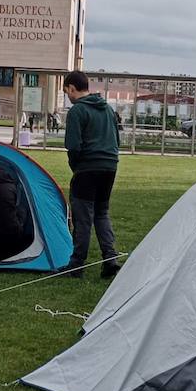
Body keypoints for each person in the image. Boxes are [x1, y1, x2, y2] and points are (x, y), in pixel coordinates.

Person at [61, 69, 121, 279]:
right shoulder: (107, 110)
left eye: (66, 91)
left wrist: (76, 168)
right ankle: (110, 259)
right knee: (101, 212)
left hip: (87, 167)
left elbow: (74, 146)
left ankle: (76, 264)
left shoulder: (77, 111)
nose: (67, 96)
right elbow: (117, 139)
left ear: (71, 88)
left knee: (83, 216)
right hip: (110, 166)